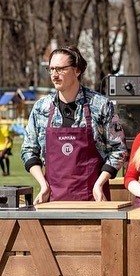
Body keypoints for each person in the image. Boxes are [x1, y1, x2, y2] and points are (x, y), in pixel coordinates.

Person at [21, 45, 127, 204]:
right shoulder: (40, 108)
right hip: (52, 201)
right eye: (51, 69)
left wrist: (99, 184)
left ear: (77, 70)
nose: (54, 75)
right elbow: (28, 150)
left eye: (60, 69)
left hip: (94, 201)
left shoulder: (101, 105)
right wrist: (43, 185)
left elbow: (118, 149)